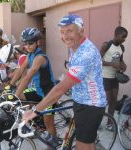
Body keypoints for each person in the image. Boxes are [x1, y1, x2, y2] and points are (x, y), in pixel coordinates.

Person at [22, 14, 107, 150]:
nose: (65, 36)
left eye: (69, 31)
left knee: (82, 146)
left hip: (91, 105)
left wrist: (35, 110)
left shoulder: (86, 53)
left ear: (81, 31)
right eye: (62, 32)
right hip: (80, 101)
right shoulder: (75, 46)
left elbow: (60, 89)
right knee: (88, 143)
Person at [8, 27, 57, 142]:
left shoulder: (40, 57)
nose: (27, 46)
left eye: (30, 43)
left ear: (38, 42)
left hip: (48, 94)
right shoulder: (29, 55)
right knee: (20, 97)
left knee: (48, 123)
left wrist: (16, 93)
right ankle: (36, 118)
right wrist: (11, 84)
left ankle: (54, 142)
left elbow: (28, 77)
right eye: (25, 43)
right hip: (39, 90)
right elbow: (20, 70)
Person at [100, 26, 128, 128]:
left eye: (126, 37)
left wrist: (123, 65)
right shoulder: (106, 45)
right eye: (123, 36)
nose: (124, 39)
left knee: (114, 100)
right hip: (105, 76)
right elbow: (98, 61)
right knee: (106, 100)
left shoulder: (121, 47)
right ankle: (98, 121)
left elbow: (120, 60)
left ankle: (109, 123)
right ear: (116, 35)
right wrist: (111, 64)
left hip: (115, 77)